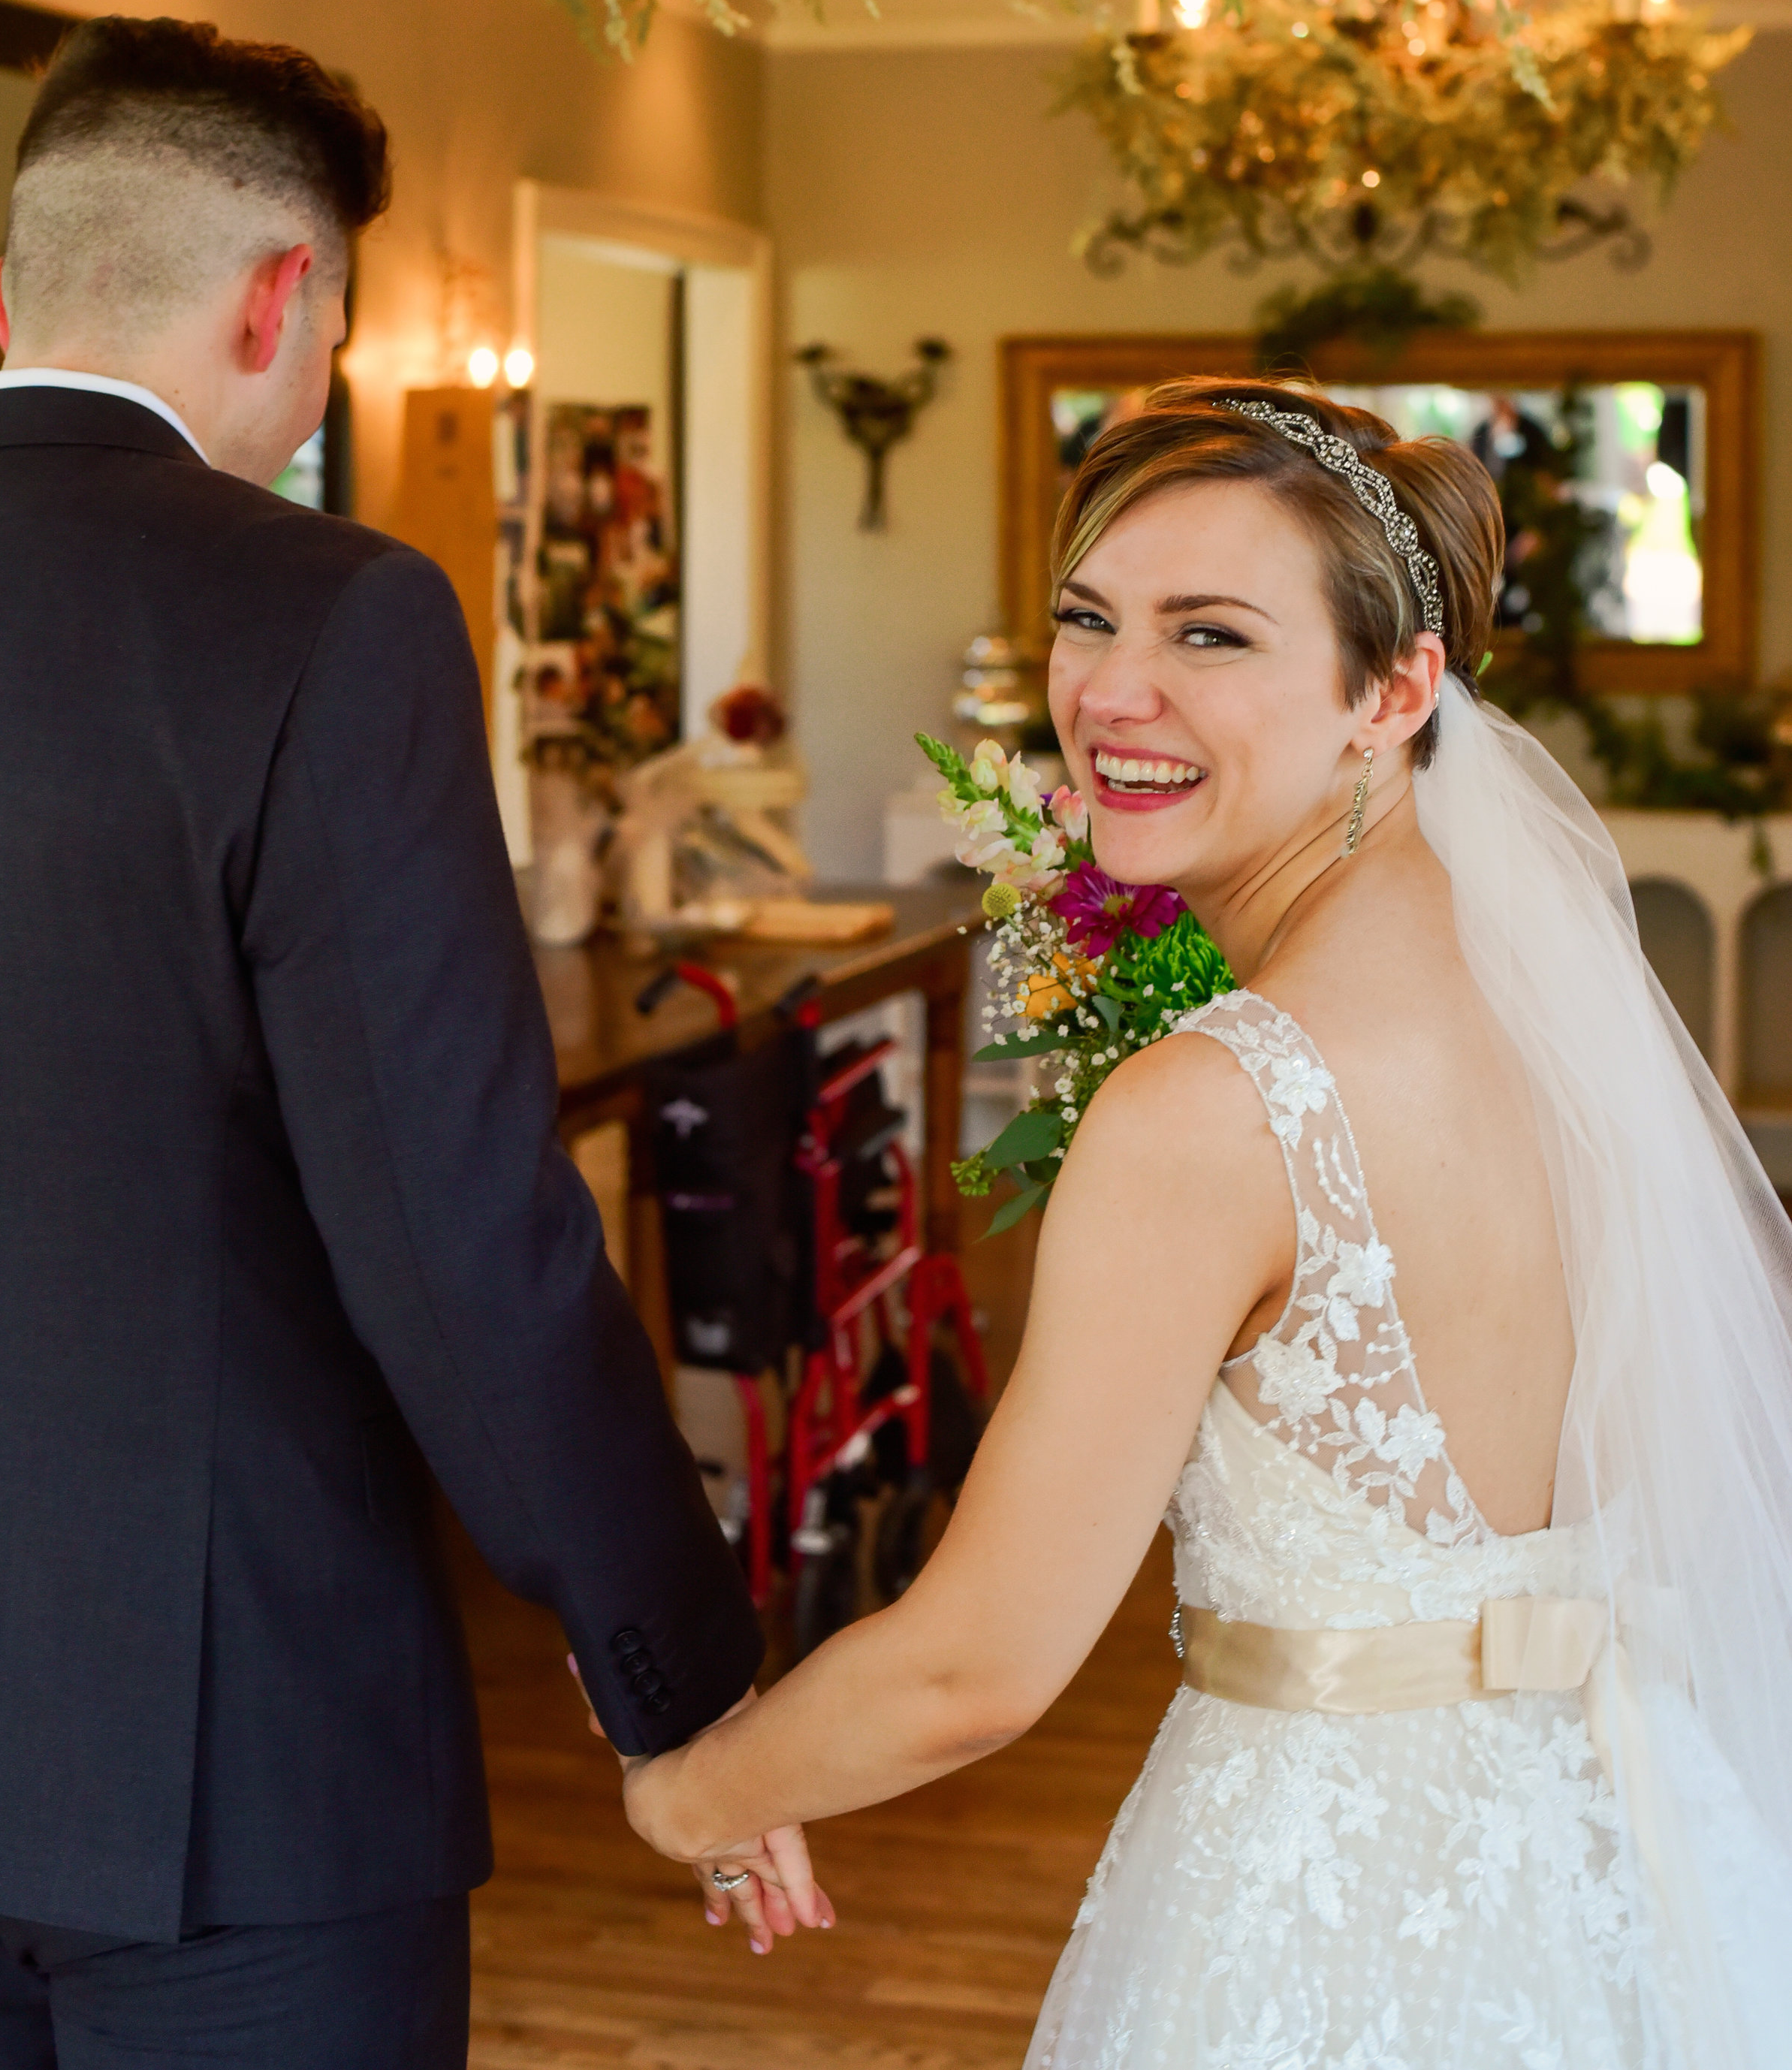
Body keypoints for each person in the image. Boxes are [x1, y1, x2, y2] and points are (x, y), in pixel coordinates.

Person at [620, 376, 1792, 2067]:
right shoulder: (1557, 1012)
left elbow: (979, 1665)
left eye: (1212, 635)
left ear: (1392, 690)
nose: (1110, 689)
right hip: (1631, 1869)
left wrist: (687, 1794)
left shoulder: (1211, 1111)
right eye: (1086, 617)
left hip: (1333, 1925)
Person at [0, 16, 819, 2070]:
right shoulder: (327, 612)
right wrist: (675, 1663)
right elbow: (455, 1233)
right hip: (225, 1750)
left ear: (4, 298)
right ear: (280, 298)